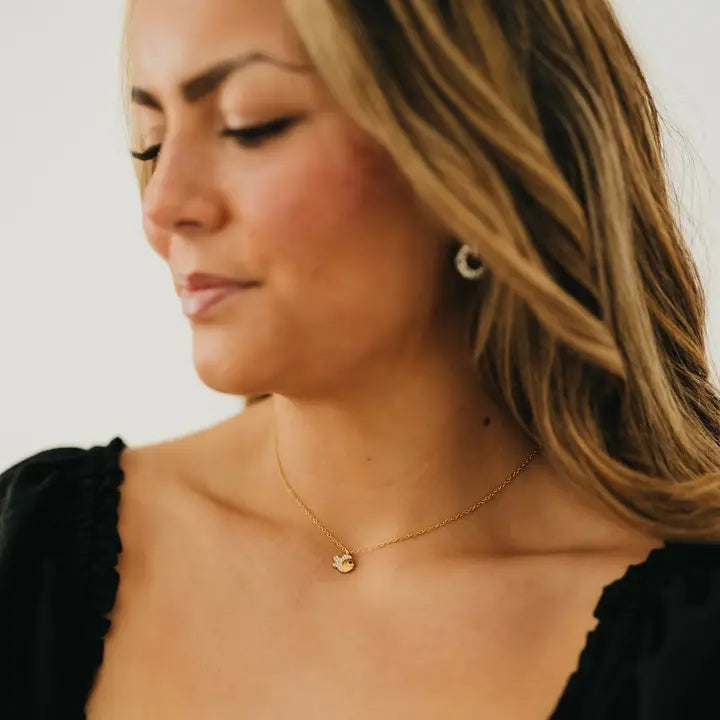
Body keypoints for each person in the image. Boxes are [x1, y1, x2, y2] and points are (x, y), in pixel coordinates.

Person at [2, 0, 720, 717]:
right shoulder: (35, 551)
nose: (162, 206)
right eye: (150, 143)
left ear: (476, 159)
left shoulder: (691, 641)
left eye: (250, 125)